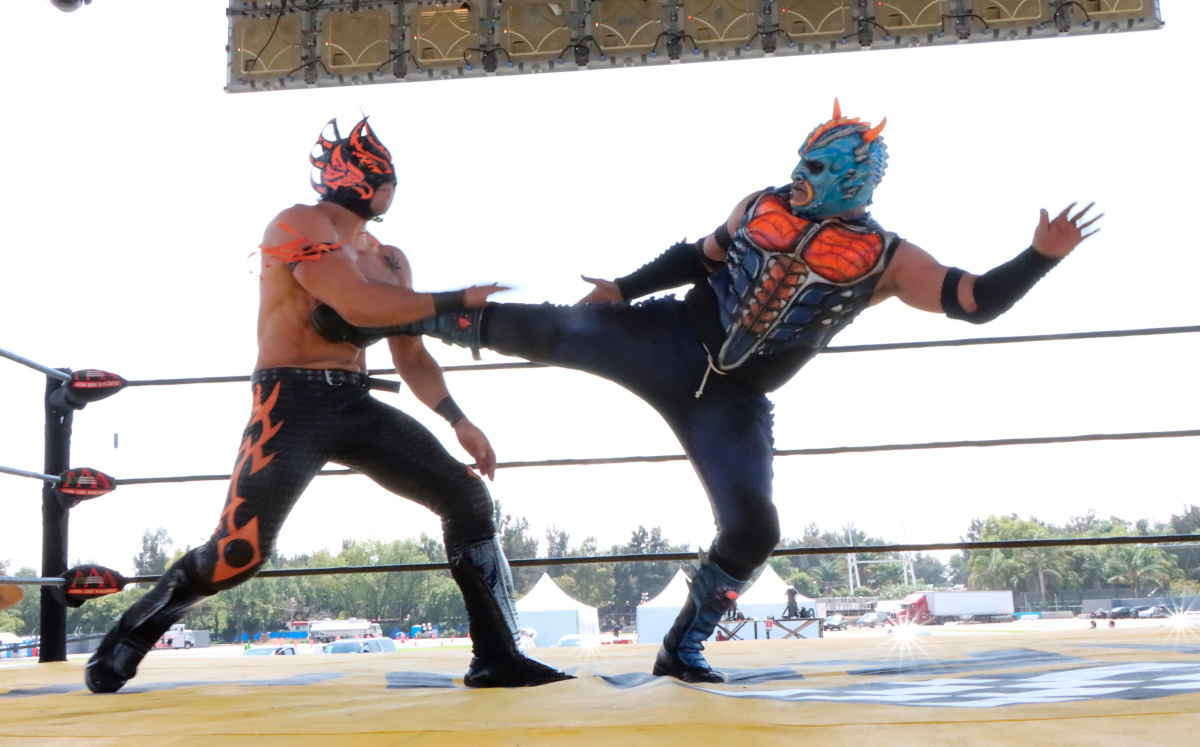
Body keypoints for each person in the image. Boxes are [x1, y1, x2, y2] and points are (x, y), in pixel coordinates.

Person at [309, 101, 1101, 684]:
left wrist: (1039, 255)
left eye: (817, 169)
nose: (800, 176)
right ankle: (405, 321)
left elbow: (973, 300)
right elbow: (700, 254)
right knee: (555, 329)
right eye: (800, 160)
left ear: (855, 177)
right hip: (671, 339)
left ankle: (683, 643)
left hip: (734, 400)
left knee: (754, 525)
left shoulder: (890, 258)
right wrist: (624, 285)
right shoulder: (762, 203)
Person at [84, 116, 572, 693]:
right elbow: (359, 306)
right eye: (379, 172)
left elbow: (411, 356)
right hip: (290, 399)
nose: (387, 183)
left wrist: (459, 420)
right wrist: (456, 301)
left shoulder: (389, 259)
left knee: (466, 497)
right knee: (239, 550)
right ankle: (128, 636)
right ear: (367, 181)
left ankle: (497, 656)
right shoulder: (297, 223)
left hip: (356, 403)